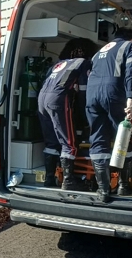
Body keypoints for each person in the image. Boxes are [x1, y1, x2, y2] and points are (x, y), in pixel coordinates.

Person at [85, 27, 132, 202]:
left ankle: (103, 191)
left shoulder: (98, 52)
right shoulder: (130, 46)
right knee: (124, 136)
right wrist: (131, 98)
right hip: (114, 93)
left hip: (92, 95)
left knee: (98, 138)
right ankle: (123, 186)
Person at [37, 38, 98, 190]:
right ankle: (69, 180)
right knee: (68, 141)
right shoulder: (83, 63)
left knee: (51, 141)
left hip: (42, 98)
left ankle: (49, 179)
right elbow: (84, 91)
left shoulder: (58, 64)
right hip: (59, 98)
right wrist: (86, 115)